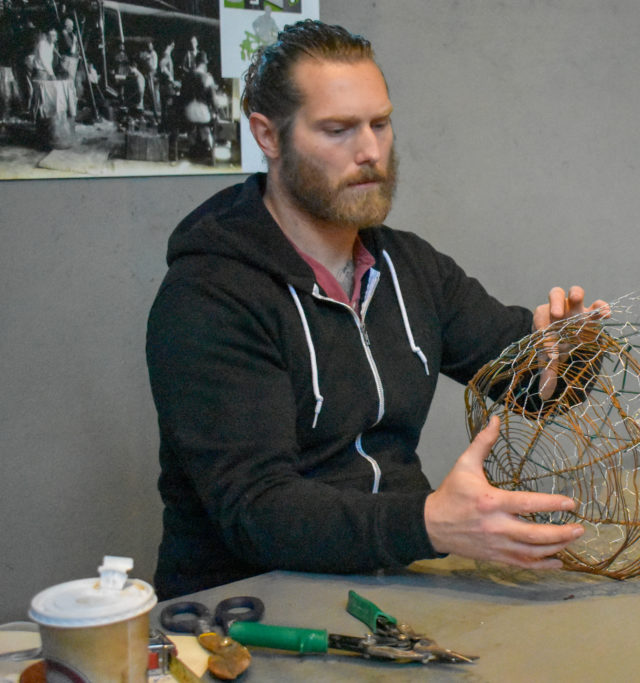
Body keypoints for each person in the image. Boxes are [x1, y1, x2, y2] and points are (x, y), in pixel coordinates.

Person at [146, 19, 607, 599]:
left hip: (394, 581)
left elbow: (525, 377)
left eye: (380, 124)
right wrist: (431, 524)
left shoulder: (411, 268)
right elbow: (258, 511)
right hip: (249, 605)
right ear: (268, 136)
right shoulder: (210, 295)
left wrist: (563, 356)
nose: (370, 152)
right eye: (337, 129)